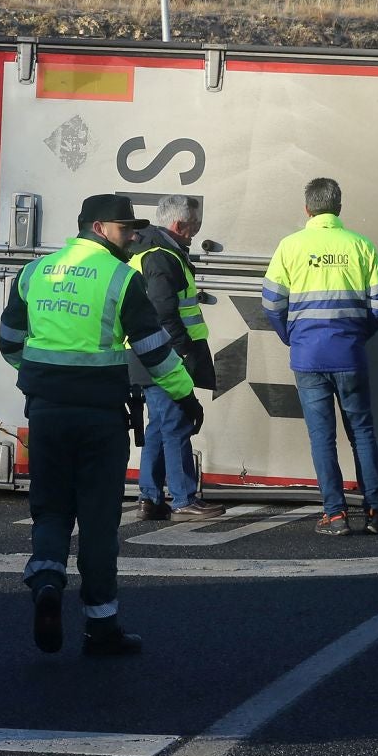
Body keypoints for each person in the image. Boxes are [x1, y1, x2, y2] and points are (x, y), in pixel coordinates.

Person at [0, 194, 202, 656]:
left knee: (50, 509)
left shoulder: (35, 272)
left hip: (46, 410)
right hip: (101, 418)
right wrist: (184, 394)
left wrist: (39, 376)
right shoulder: (121, 279)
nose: (132, 237)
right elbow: (154, 350)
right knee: (97, 521)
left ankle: (48, 580)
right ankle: (100, 626)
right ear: (98, 228)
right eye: (124, 229)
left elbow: (9, 341)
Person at [262, 177, 378, 535]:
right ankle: (376, 512)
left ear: (307, 208)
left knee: (322, 438)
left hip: (308, 358)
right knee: (362, 432)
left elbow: (272, 302)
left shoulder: (290, 246)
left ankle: (335, 515)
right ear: (339, 207)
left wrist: (291, 336)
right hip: (350, 354)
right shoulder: (361, 246)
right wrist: (358, 334)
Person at [128, 194, 225, 521]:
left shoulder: (152, 251)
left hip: (150, 354)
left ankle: (149, 497)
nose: (197, 232)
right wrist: (182, 350)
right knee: (176, 423)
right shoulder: (161, 257)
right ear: (180, 224)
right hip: (164, 355)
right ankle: (184, 499)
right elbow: (164, 313)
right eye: (195, 225)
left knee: (160, 424)